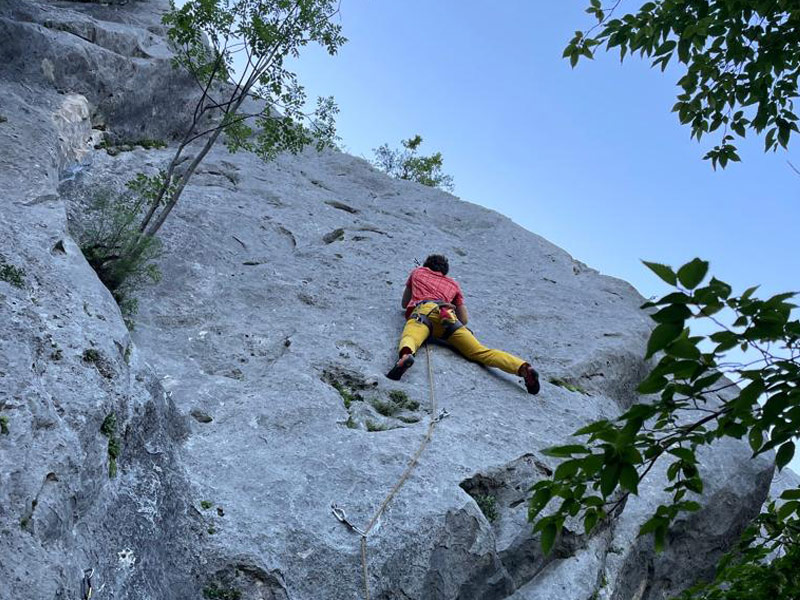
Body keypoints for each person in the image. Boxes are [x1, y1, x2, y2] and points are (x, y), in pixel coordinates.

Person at [386, 254, 540, 394]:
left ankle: (406, 356)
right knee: (480, 351)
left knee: (411, 338)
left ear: (427, 265)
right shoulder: (453, 285)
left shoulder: (418, 272)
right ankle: (522, 367)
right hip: (449, 318)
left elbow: (405, 303)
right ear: (444, 271)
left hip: (424, 313)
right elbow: (464, 319)